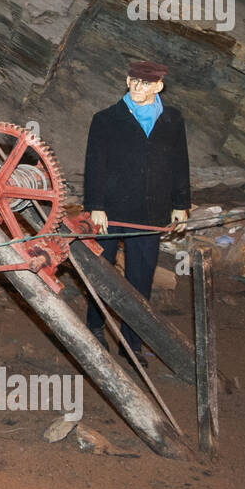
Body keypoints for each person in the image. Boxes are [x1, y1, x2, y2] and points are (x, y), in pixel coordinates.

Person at [82, 60, 190, 365]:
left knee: (140, 279)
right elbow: (95, 166)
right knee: (100, 271)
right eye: (133, 81)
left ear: (159, 86)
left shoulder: (172, 120)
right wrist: (95, 206)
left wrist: (181, 204)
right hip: (112, 211)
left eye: (145, 84)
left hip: (150, 211)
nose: (138, 88)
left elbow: (180, 163)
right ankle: (94, 326)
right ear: (127, 81)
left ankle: (131, 343)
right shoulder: (105, 119)